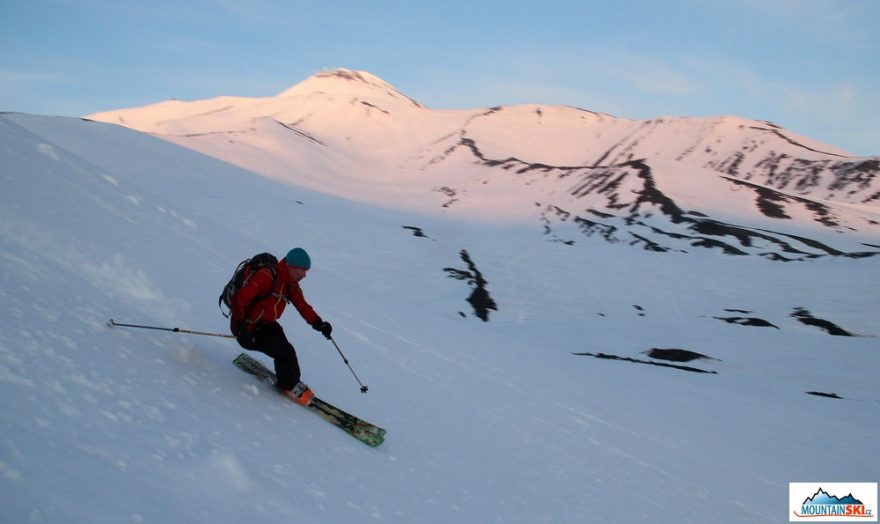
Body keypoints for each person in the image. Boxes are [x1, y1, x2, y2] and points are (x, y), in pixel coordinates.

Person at [229, 247, 333, 405]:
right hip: (247, 329)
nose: (304, 275)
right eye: (302, 270)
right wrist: (240, 324)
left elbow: (303, 306)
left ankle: (291, 380)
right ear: (291, 267)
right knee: (285, 352)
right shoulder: (266, 277)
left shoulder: (290, 283)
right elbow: (239, 299)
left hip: (265, 324)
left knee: (285, 348)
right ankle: (289, 386)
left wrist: (319, 324)